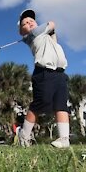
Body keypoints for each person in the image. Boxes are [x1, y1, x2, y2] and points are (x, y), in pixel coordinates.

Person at [17, 9, 70, 148]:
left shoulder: (43, 33)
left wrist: (51, 32)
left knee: (61, 105)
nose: (30, 22)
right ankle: (24, 135)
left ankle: (64, 139)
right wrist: (49, 28)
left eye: (32, 21)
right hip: (43, 73)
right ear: (22, 31)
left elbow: (53, 34)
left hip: (60, 73)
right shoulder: (32, 35)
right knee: (40, 103)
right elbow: (51, 24)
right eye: (25, 23)